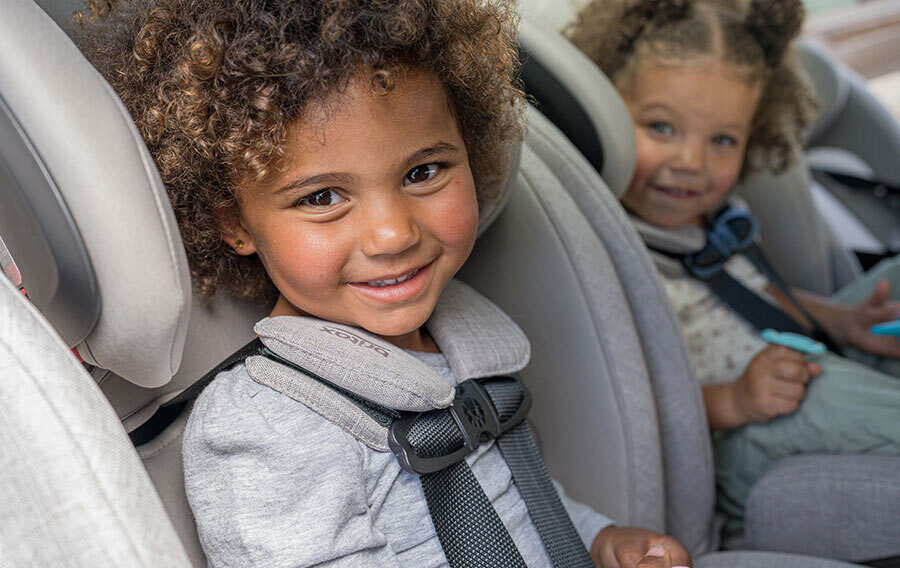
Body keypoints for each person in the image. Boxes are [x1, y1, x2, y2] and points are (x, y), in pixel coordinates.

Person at [78, 0, 690, 566]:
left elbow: (512, 505)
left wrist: (599, 539)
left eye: (423, 171)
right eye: (321, 197)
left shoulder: (460, 338)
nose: (393, 233)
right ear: (234, 222)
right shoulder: (269, 426)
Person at [567, 0, 900, 532]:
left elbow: (760, 294)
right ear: (605, 114)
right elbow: (627, 411)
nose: (691, 163)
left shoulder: (712, 218)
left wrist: (842, 322)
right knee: (831, 394)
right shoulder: (607, 253)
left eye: (721, 140)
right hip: (733, 437)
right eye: (661, 127)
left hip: (794, 366)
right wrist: (735, 399)